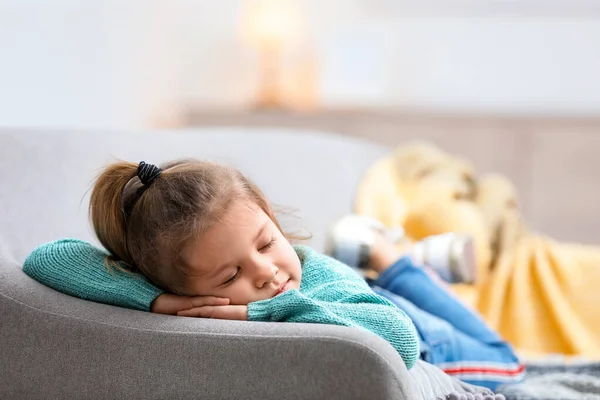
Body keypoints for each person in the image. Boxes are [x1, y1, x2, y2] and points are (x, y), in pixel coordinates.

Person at [23, 159, 524, 390]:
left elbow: (398, 337)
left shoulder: (310, 275)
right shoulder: (173, 289)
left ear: (271, 216)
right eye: (229, 276)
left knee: (510, 362)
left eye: (265, 242)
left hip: (425, 336)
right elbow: (48, 258)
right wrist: (159, 304)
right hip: (352, 297)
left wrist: (261, 307)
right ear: (181, 287)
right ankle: (385, 257)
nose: (266, 272)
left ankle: (396, 262)